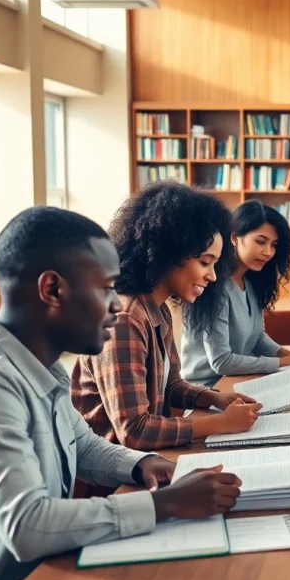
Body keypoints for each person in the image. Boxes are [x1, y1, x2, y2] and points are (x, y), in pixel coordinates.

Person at [0, 207, 244, 580]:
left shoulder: (41, 366)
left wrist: (143, 464)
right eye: (107, 288)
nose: (116, 305)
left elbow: (82, 444)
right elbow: (26, 526)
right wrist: (164, 504)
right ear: (52, 289)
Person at [71, 182, 262, 452]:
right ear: (169, 253)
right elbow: (134, 431)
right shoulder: (124, 319)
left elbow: (169, 385)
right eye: (205, 262)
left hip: (147, 458)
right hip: (116, 478)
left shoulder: (157, 308)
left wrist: (214, 398)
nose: (213, 275)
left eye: (215, 264)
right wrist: (221, 423)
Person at [181, 200, 290, 386]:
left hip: (240, 383)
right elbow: (221, 362)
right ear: (235, 238)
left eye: (274, 245)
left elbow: (257, 337)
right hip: (207, 390)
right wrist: (280, 362)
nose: (268, 252)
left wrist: (286, 354)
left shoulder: (252, 282)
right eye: (260, 241)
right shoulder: (213, 287)